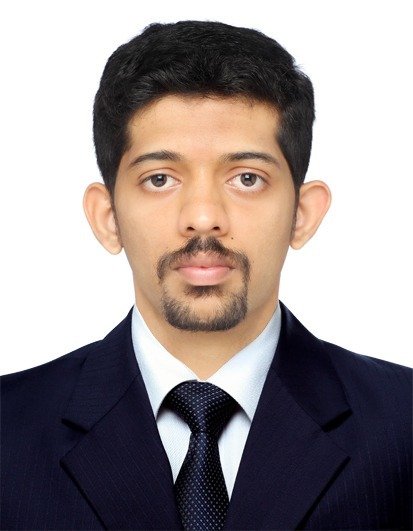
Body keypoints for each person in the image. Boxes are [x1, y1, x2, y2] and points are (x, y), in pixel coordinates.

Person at [1, 20, 411, 531]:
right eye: (159, 179)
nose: (202, 216)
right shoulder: (8, 431)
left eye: (247, 178)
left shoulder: (403, 424)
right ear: (107, 218)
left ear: (302, 215)